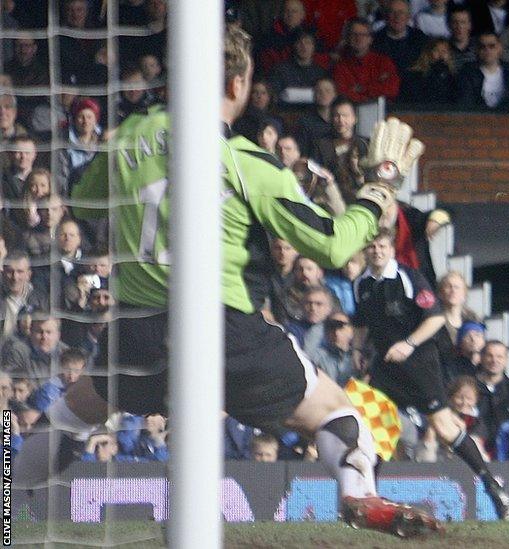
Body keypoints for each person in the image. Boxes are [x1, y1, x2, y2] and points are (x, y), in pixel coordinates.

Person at [14, 26, 441, 537]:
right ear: (238, 84)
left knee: (72, 411)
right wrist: (378, 189)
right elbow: (332, 245)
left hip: (139, 331)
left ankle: (4, 499)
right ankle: (359, 496)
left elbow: (83, 203)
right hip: (225, 335)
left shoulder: (128, 136)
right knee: (335, 413)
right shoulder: (249, 163)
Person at [353, 229, 509, 520]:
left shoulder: (409, 277)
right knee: (371, 427)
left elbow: (436, 317)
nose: (376, 251)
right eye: (372, 246)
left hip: (418, 364)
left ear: (391, 249)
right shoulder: (362, 284)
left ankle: (491, 484)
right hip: (385, 367)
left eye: (382, 246)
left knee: (442, 426)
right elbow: (363, 325)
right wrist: (358, 350)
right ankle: (370, 499)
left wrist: (409, 343)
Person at [332, 18, 401, 103]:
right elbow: (342, 93)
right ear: (347, 38)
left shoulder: (383, 62)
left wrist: (361, 89)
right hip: (350, 111)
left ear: (370, 39)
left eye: (363, 35)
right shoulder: (340, 65)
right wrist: (376, 87)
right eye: (354, 34)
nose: (359, 38)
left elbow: (392, 89)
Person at [457, 31, 509, 109]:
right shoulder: (467, 72)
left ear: (500, 48)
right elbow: (465, 102)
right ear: (477, 50)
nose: (487, 50)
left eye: (492, 46)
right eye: (482, 46)